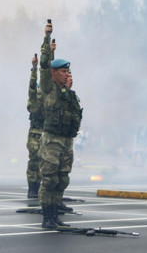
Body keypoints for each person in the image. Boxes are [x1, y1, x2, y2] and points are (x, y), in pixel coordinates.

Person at [38, 21, 83, 229]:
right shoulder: (49, 87)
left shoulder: (68, 93)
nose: (67, 75)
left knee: (62, 179)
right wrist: (47, 39)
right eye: (63, 72)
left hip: (66, 141)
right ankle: (47, 217)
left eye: (68, 72)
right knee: (49, 180)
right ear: (55, 73)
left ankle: (55, 214)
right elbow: (45, 64)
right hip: (52, 141)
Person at [26, 54, 44, 198]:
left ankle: (39, 189)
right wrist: (34, 68)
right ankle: (32, 189)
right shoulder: (33, 101)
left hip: (46, 134)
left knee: (45, 164)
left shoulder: (48, 98)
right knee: (34, 163)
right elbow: (32, 88)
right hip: (35, 134)